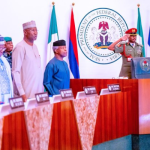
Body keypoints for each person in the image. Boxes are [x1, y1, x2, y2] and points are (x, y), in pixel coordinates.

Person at [12, 21, 43, 102]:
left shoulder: (35, 47)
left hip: (38, 92)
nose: (36, 33)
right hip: (26, 94)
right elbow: (15, 71)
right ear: (25, 32)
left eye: (36, 30)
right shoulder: (20, 47)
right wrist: (22, 93)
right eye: (33, 30)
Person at [0, 36, 13, 103]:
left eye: (2, 48)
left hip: (7, 98)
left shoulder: (4, 60)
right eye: (0, 47)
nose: (1, 50)